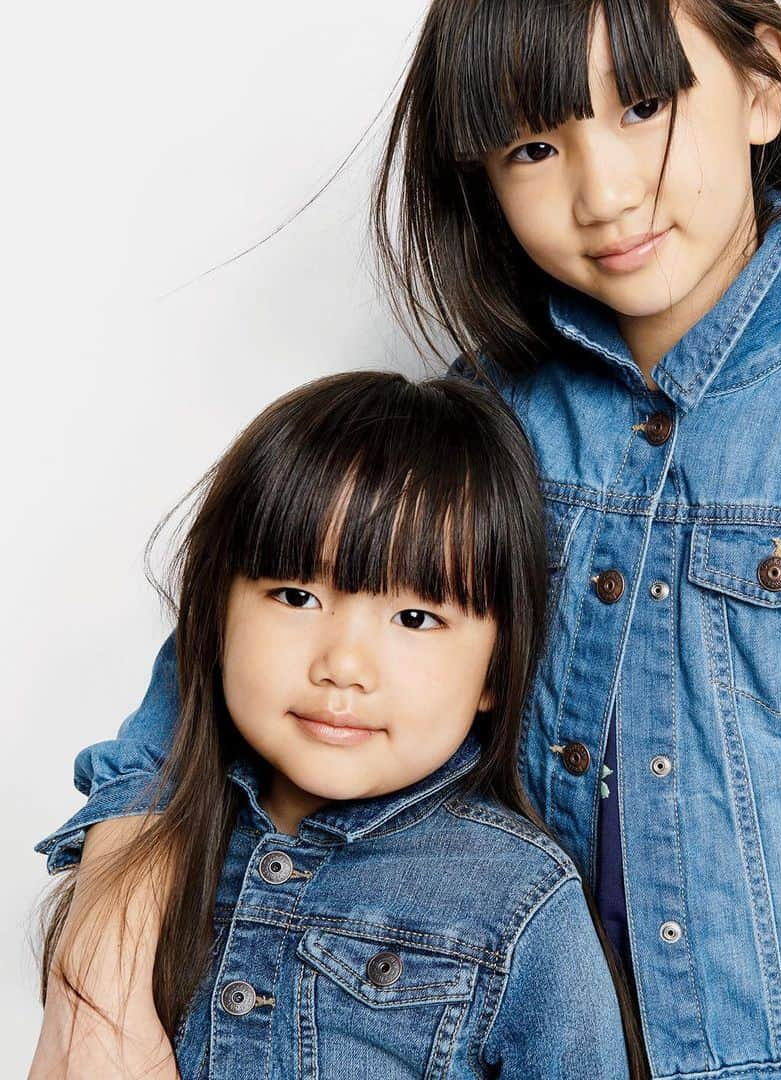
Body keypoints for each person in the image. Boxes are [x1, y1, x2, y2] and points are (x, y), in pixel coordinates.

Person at [34, 2, 781, 1077]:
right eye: (533, 144)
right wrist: (95, 1000)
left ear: (763, 87)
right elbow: (183, 731)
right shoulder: (469, 435)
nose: (602, 192)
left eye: (645, 106)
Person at [32, 371, 644, 1078]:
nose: (344, 665)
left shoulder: (521, 904)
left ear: (497, 673)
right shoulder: (158, 853)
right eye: (296, 596)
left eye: (416, 618)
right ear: (216, 615)